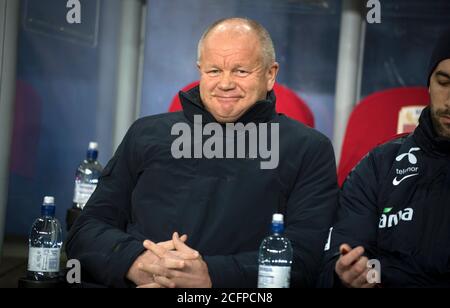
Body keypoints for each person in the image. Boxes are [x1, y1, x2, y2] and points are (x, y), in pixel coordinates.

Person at [66, 17, 338, 288]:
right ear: (200, 71)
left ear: (270, 74)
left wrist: (211, 276)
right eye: (214, 71)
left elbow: (305, 260)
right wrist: (136, 263)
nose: (226, 83)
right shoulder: (146, 133)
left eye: (241, 71)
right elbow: (86, 231)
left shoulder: (309, 149)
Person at [319, 29, 450, 288]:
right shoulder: (380, 165)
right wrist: (344, 275)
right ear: (429, 83)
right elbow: (337, 258)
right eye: (444, 83)